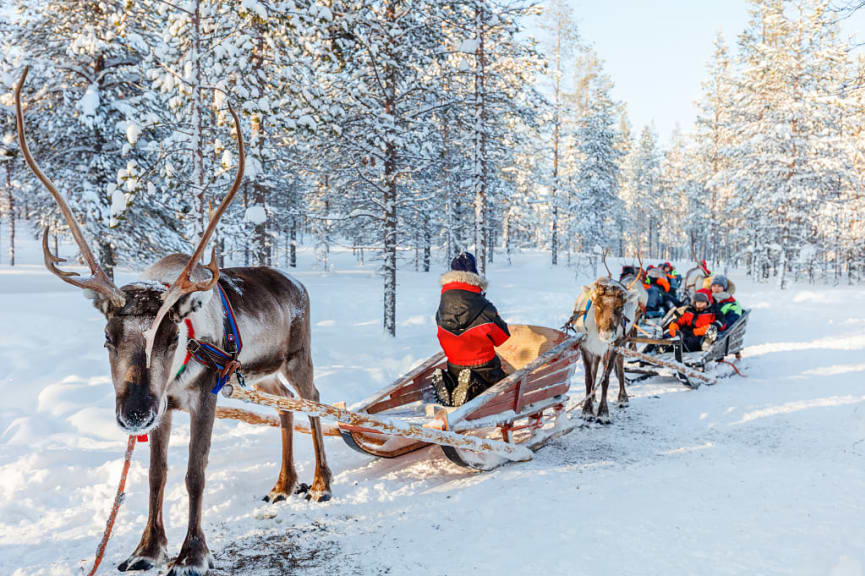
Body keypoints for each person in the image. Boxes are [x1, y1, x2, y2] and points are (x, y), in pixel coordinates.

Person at [432, 252, 511, 407]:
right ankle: (472, 387)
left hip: (454, 366)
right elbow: (502, 338)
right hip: (485, 368)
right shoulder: (485, 308)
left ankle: (452, 384)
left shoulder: (441, 310)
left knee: (459, 370)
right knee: (499, 382)